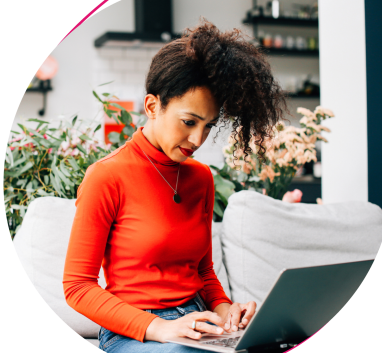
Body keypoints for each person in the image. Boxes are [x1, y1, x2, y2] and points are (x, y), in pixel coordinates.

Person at [63, 18, 290, 352]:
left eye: (209, 126)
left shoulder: (201, 178)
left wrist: (228, 312)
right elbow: (77, 287)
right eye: (189, 122)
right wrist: (160, 328)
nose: (198, 139)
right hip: (134, 330)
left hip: (199, 321)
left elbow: (203, 272)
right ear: (153, 106)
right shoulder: (106, 177)